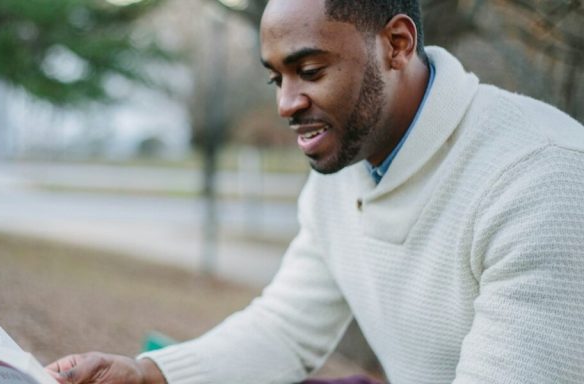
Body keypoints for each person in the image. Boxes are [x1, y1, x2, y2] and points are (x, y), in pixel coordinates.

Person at [46, 0, 584, 382]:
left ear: (396, 44)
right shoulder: (347, 164)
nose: (286, 103)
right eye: (276, 78)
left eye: (309, 70)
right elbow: (285, 330)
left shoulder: (541, 178)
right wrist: (146, 374)